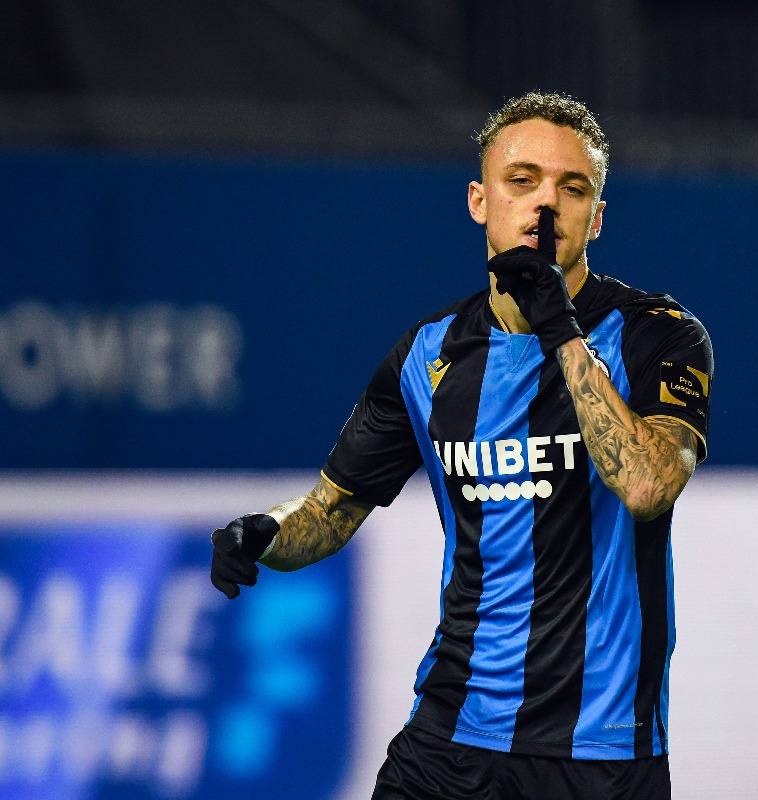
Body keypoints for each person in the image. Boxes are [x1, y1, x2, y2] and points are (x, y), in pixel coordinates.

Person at [209, 91, 712, 799]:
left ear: (596, 218)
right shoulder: (427, 356)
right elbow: (330, 509)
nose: (545, 206)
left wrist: (559, 330)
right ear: (480, 200)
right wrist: (265, 533)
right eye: (522, 180)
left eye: (573, 189)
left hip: (601, 754)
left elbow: (649, 486)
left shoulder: (659, 333)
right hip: (452, 740)